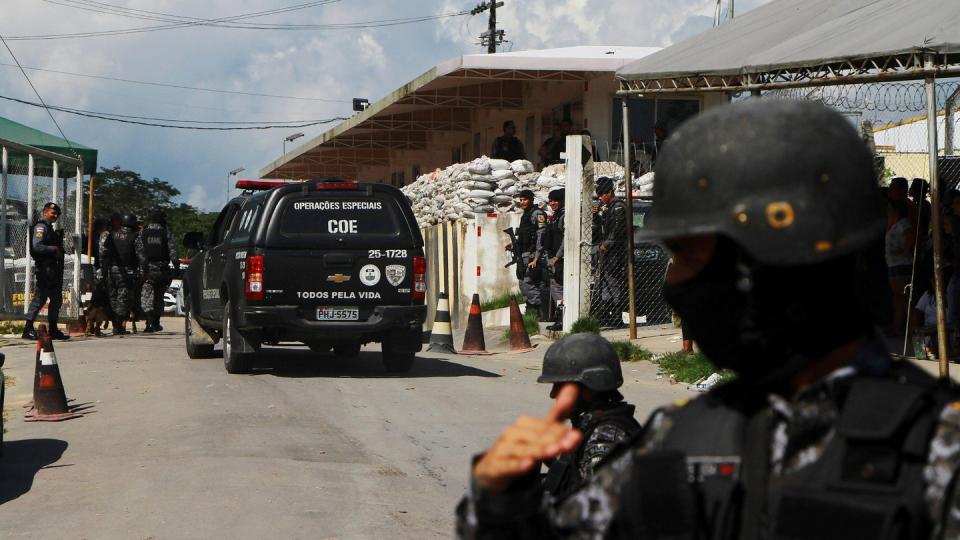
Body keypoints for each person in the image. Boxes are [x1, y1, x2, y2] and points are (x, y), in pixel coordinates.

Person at [456, 100, 960, 539]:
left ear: (760, 266)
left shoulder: (939, 449)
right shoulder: (686, 439)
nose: (676, 285)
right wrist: (503, 501)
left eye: (690, 257)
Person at [536, 334, 641, 500]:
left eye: (560, 386)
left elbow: (595, 510)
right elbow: (577, 479)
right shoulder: (595, 424)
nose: (553, 394)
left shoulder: (605, 437)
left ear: (589, 388)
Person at [22, 202, 69, 341]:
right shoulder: (41, 227)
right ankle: (28, 328)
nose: (55, 216)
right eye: (52, 213)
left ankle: (53, 329)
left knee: (56, 300)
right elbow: (37, 247)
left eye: (56, 214)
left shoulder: (50, 228)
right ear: (45, 212)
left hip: (53, 269)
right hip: (44, 269)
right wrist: (53, 249)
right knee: (40, 299)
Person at [136, 208, 179, 333]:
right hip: (162, 270)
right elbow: (173, 252)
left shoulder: (143, 232)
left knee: (146, 296)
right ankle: (156, 323)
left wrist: (142, 268)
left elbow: (139, 251)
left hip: (147, 270)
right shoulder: (166, 232)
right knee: (159, 297)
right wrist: (176, 267)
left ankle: (149, 322)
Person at [505, 189, 547, 318]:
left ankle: (538, 313)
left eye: (525, 199)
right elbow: (525, 235)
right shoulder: (525, 215)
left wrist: (537, 257)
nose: (522, 202)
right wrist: (514, 245)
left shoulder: (538, 214)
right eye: (521, 200)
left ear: (531, 200)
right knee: (523, 283)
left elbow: (541, 236)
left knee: (530, 282)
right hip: (523, 255)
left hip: (533, 255)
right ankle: (530, 310)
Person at [595, 176, 628, 328]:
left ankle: (616, 316)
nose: (601, 198)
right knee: (606, 283)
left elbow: (618, 230)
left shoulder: (618, 206)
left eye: (602, 194)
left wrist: (607, 244)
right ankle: (608, 314)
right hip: (608, 253)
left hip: (616, 252)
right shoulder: (607, 207)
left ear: (609, 192)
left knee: (614, 284)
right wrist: (598, 214)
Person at [101, 213, 139, 335]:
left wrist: (104, 270)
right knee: (123, 299)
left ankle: (116, 324)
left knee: (113, 297)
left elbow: (104, 252)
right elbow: (141, 255)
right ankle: (118, 325)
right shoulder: (134, 236)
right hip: (126, 271)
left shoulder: (111, 234)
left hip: (111, 271)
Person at [886, 199, 915, 336]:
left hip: (902, 265)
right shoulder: (894, 225)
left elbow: (910, 234)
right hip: (893, 264)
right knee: (898, 297)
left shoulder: (903, 223)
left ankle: (911, 330)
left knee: (905, 297)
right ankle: (897, 328)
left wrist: (904, 251)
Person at [543, 189, 565, 331]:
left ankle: (563, 319)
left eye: (555, 200)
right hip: (554, 259)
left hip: (560, 259)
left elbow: (565, 238)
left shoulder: (563, 216)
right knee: (556, 288)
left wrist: (558, 256)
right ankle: (560, 318)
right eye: (550, 201)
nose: (552, 203)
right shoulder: (556, 216)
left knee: (559, 289)